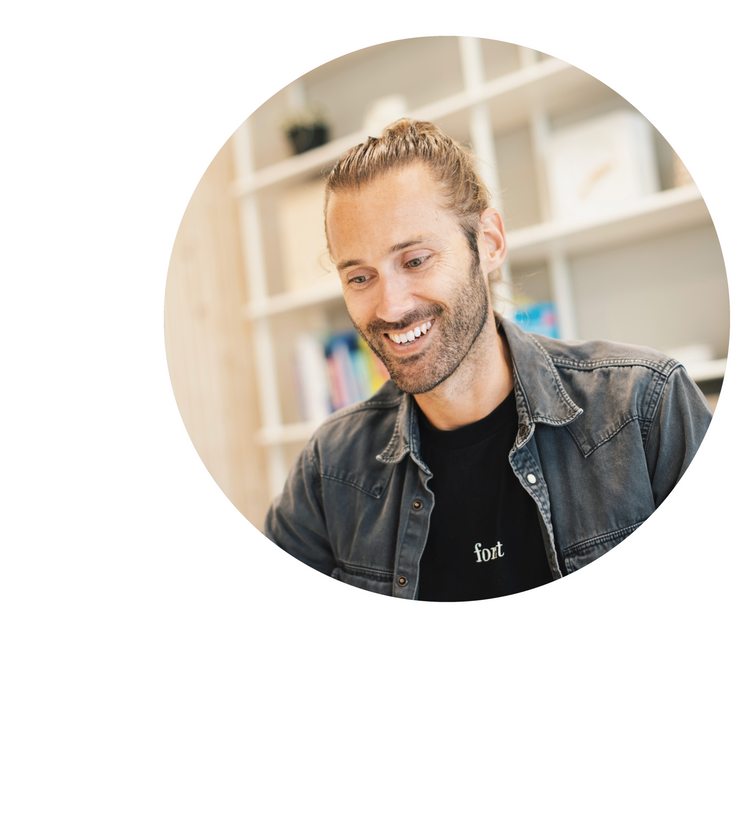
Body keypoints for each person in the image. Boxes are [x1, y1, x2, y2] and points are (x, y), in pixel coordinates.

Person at [265, 119, 712, 601]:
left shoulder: (645, 407)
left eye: (415, 260)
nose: (390, 307)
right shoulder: (331, 468)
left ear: (489, 243)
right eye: (359, 278)